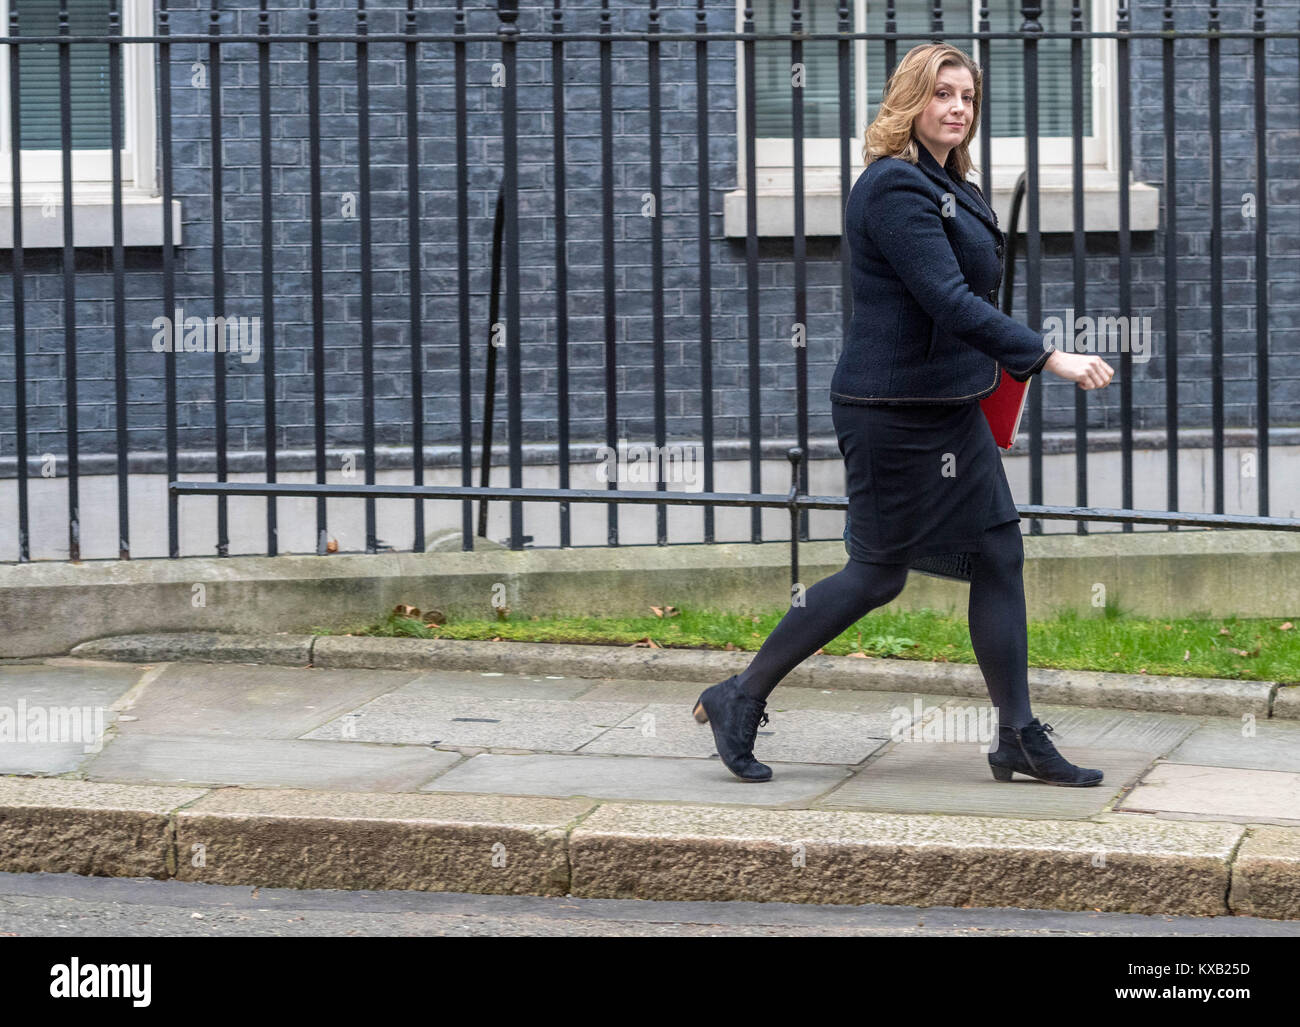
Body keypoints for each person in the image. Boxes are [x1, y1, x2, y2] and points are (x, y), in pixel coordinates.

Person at [692, 42, 1114, 786]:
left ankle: (1016, 732)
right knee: (877, 574)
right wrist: (1048, 357)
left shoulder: (953, 182)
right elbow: (949, 301)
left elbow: (970, 302)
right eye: (942, 93)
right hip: (889, 414)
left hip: (948, 408)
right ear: (910, 101)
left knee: (999, 554)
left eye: (968, 98)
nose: (957, 108)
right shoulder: (892, 188)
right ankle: (739, 695)